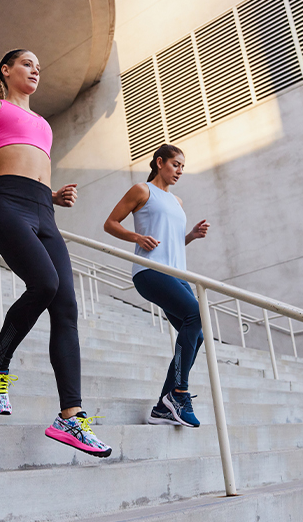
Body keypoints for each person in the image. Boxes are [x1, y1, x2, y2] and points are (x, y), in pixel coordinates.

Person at [0, 49, 111, 457]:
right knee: (45, 283)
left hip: (43, 209)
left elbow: (35, 167)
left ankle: (70, 417)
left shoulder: (42, 123)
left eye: (40, 66)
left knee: (67, 306)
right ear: (6, 69)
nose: (36, 69)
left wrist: (54, 195)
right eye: (27, 63)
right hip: (8, 206)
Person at [104, 144, 210, 427]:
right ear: (159, 162)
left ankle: (163, 406)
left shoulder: (178, 202)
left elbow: (171, 241)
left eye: (183, 167)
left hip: (177, 274)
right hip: (150, 271)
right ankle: (178, 393)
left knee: (197, 334)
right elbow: (110, 223)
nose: (180, 171)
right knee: (196, 316)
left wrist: (191, 236)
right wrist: (136, 238)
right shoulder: (142, 191)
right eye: (176, 164)